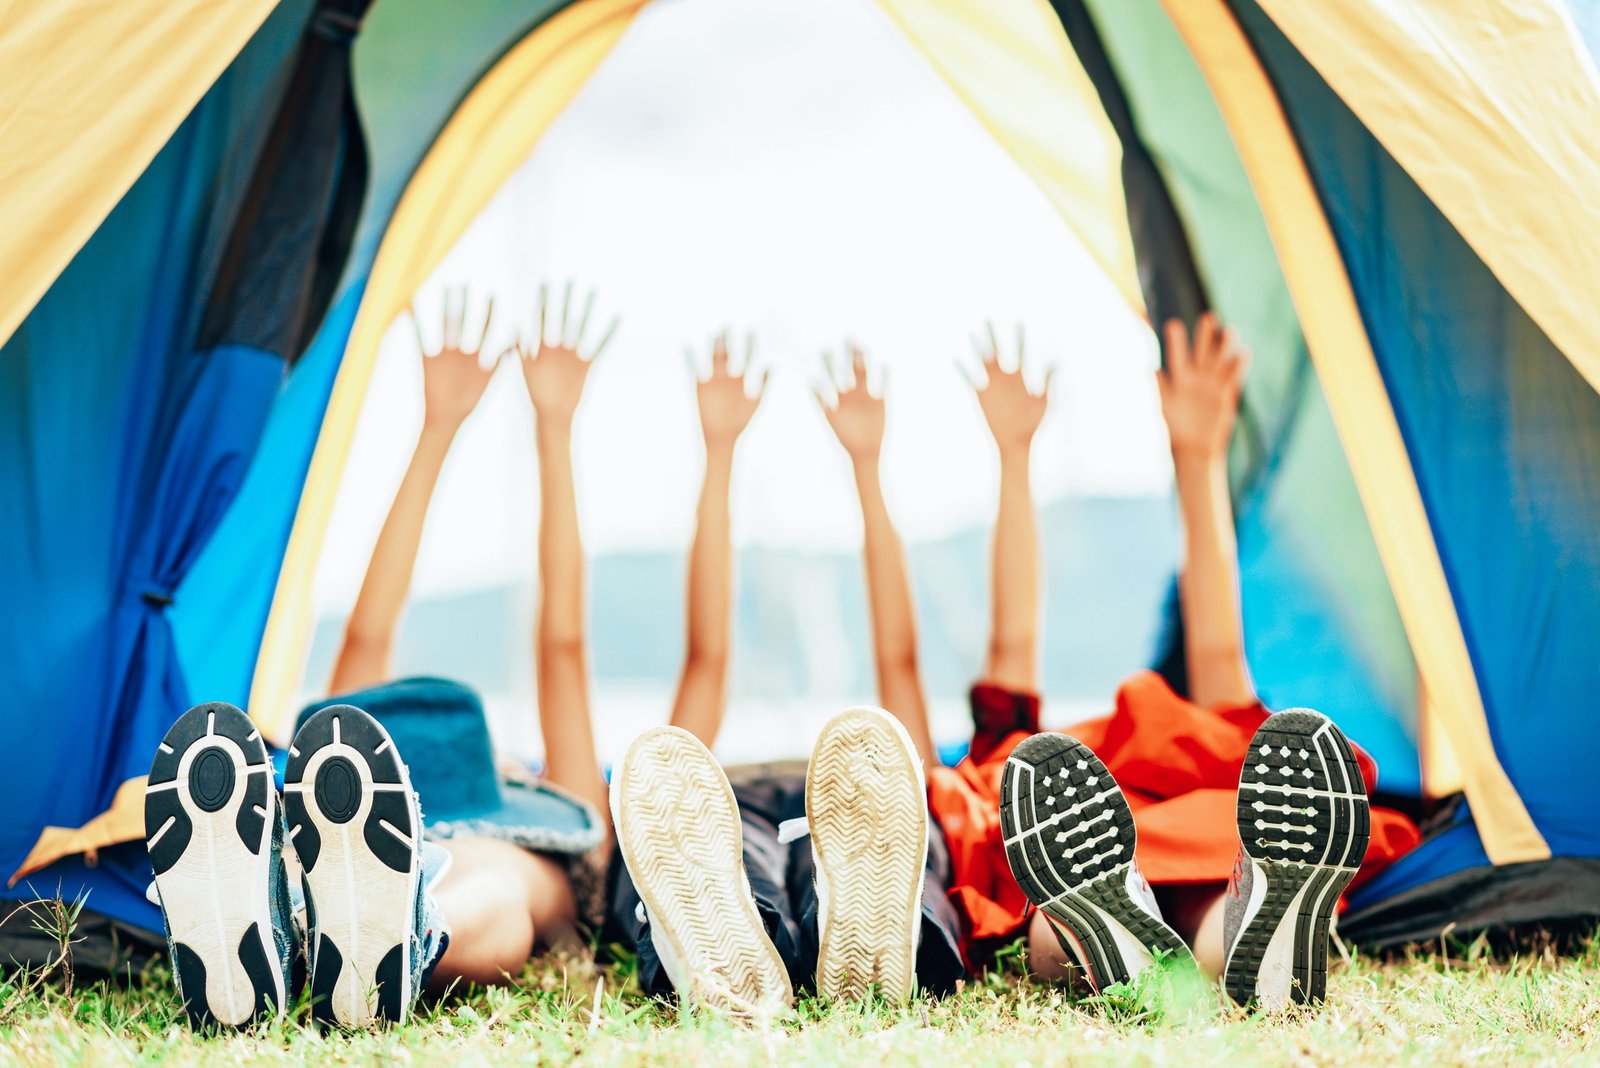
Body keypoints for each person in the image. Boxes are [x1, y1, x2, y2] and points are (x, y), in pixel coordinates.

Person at [143, 285, 622, 1028]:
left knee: (456, 885)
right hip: (422, 867)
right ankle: (393, 936)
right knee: (495, 896)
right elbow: (563, 647)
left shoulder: (522, 820)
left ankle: (291, 921)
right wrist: (552, 431)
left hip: (359, 851)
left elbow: (369, 636)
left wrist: (438, 428)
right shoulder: (564, 820)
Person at [922, 314, 1420, 1009]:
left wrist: (1013, 455)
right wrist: (1198, 453)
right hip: (1213, 827)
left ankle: (1105, 926)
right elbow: (1216, 641)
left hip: (1081, 847)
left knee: (1050, 908)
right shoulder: (1194, 736)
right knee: (1214, 909)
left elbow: (1013, 638)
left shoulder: (1010, 755)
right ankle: (1249, 921)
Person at [605, 336, 966, 1021]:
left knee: (724, 857)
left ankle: (738, 932)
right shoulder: (884, 760)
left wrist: (718, 456)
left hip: (738, 792)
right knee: (892, 852)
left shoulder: (703, 769)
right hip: (825, 784)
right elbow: (901, 660)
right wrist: (867, 468)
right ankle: (880, 925)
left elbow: (706, 654)